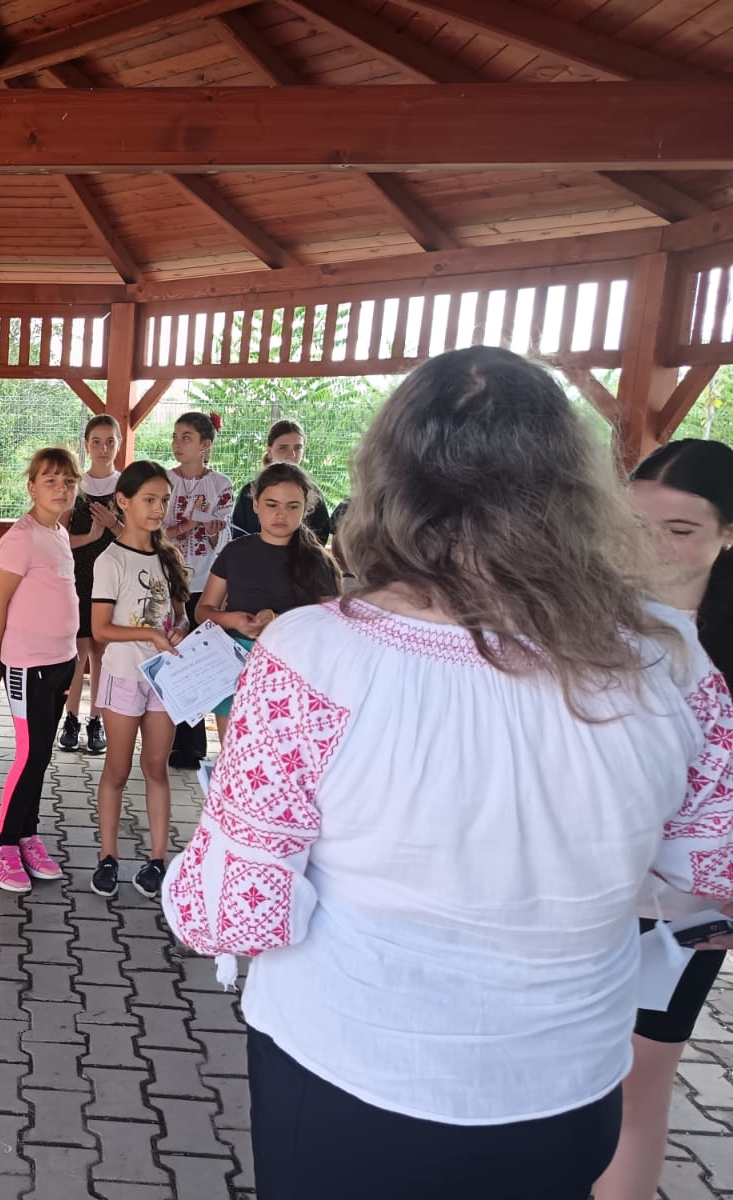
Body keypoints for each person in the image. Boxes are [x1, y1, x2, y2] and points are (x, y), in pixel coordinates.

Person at [161, 347, 733, 1200]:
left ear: (391, 482)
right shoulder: (670, 662)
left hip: (352, 1074)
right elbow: (711, 875)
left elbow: (233, 912)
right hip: (568, 1085)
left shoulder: (316, 654)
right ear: (573, 486)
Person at [594, 438, 733, 1200]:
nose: (650, 548)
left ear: (727, 534)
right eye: (635, 525)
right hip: (579, 886)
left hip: (686, 908)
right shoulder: (577, 619)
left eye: (680, 530)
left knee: (638, 1079)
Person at [0, 447, 80, 893]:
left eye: (68, 482)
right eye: (50, 480)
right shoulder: (21, 537)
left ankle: (26, 835)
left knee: (41, 755)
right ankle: (1, 845)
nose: (61, 489)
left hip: (62, 662)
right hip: (27, 666)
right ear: (32, 487)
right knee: (29, 754)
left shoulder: (58, 532)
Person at [88, 461, 188, 902]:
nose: (158, 509)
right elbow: (100, 628)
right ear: (122, 502)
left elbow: (180, 616)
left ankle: (158, 859)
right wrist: (148, 635)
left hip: (164, 679)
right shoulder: (110, 560)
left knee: (156, 768)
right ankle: (107, 857)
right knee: (117, 769)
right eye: (149, 500)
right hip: (124, 676)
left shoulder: (169, 556)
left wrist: (178, 630)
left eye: (164, 500)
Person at [193, 462, 341, 745]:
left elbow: (330, 626)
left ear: (306, 509)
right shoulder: (235, 552)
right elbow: (203, 610)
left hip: (293, 669)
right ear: (256, 504)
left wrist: (278, 624)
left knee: (280, 756)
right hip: (234, 665)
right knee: (234, 754)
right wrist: (234, 620)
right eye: (272, 504)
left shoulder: (317, 561)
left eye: (292, 506)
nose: (281, 514)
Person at [165, 411, 232, 770]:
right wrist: (187, 526)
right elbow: (154, 532)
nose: (177, 444)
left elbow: (224, 537)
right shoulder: (164, 480)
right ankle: (171, 741)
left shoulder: (221, 484)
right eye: (175, 436)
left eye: (186, 437)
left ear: (206, 445)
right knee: (172, 653)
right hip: (169, 581)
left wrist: (208, 530)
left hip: (206, 584)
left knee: (199, 657)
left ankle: (194, 745)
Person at [63, 414, 122, 756]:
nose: (103, 448)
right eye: (96, 442)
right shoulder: (75, 485)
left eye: (110, 441)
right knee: (78, 652)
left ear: (118, 444)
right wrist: (91, 535)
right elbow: (59, 538)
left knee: (103, 652)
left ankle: (96, 719)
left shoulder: (126, 486)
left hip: (113, 580)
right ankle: (70, 719)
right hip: (79, 578)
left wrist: (113, 525)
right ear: (86, 445)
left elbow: (138, 537)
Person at [230, 419, 333, 544]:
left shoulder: (313, 492)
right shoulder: (250, 491)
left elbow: (320, 537)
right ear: (269, 451)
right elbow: (238, 534)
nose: (292, 454)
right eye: (283, 448)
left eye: (298, 448)